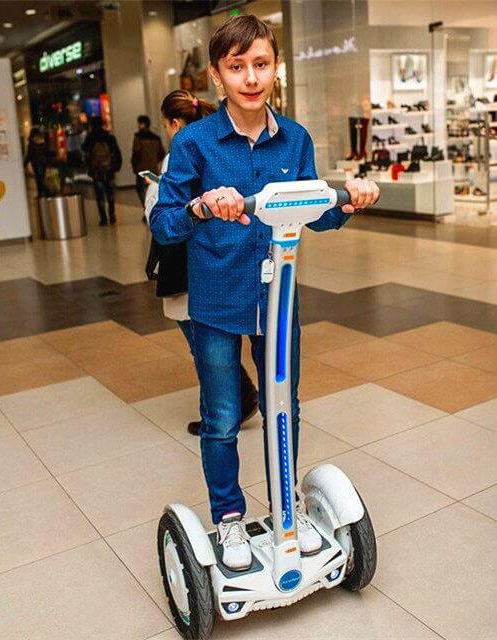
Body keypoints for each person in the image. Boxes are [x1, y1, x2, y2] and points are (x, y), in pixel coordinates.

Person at [150, 15, 380, 571]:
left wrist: (348, 200)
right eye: (237, 67)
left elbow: (316, 212)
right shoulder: (195, 143)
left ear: (276, 68)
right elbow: (164, 223)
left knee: (283, 407)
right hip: (216, 303)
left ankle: (284, 508)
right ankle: (229, 516)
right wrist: (201, 206)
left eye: (260, 64)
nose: (250, 78)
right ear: (216, 75)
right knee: (223, 415)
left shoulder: (295, 138)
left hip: (279, 304)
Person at [144, 89, 259, 436]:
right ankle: (237, 401)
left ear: (174, 123)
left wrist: (155, 190)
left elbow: (161, 218)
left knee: (204, 346)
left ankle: (227, 409)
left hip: (187, 262)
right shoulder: (218, 147)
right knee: (213, 341)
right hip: (220, 257)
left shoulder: (179, 154)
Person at [82, 116, 122, 226]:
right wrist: (116, 167)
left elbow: (84, 148)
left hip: (96, 170)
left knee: (100, 195)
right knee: (110, 194)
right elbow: (116, 152)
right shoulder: (109, 136)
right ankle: (112, 216)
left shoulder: (90, 137)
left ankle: (103, 219)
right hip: (108, 169)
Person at [131, 115, 165, 211]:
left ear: (143, 124)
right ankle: (152, 208)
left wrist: (134, 166)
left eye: (139, 123)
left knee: (140, 189)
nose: (138, 126)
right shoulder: (156, 138)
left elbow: (136, 153)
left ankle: (146, 208)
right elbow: (162, 153)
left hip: (141, 169)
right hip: (153, 168)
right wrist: (154, 161)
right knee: (154, 189)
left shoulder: (138, 137)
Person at [24, 128, 49, 196]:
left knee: (39, 179)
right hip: (42, 163)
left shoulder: (32, 144)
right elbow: (46, 153)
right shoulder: (43, 141)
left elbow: (29, 155)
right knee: (40, 179)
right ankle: (41, 194)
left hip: (37, 164)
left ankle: (46, 192)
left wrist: (25, 163)